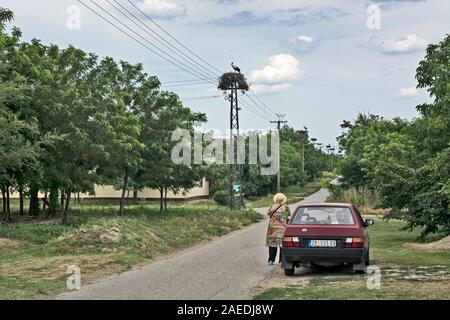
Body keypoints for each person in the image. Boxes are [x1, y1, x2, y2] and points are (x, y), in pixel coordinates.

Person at [266, 193, 290, 265]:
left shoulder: (271, 207)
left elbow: (268, 214)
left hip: (272, 228)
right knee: (282, 244)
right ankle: (281, 260)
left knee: (272, 244)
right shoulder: (286, 208)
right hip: (282, 228)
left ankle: (271, 260)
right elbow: (286, 216)